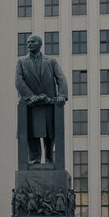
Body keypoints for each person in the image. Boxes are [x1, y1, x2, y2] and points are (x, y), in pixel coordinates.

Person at [14, 33, 68, 165]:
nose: (29, 44)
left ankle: (50, 158)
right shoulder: (21, 62)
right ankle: (35, 158)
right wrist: (31, 96)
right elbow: (19, 81)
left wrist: (62, 95)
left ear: (40, 44)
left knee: (50, 133)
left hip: (48, 103)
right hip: (31, 104)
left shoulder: (50, 61)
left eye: (32, 42)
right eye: (28, 42)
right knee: (32, 132)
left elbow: (61, 78)